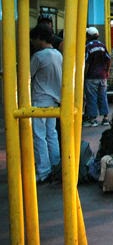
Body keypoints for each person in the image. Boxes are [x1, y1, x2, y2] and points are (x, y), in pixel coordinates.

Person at [30, 23, 62, 184]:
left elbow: (26, 75)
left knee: (39, 136)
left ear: (40, 38)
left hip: (39, 101)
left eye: (34, 39)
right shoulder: (58, 55)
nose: (32, 43)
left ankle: (43, 171)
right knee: (52, 135)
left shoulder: (39, 56)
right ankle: (56, 166)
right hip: (54, 101)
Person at [83, 27, 111, 127]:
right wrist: (107, 71)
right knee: (103, 96)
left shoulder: (88, 46)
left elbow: (87, 63)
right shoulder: (102, 46)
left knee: (92, 98)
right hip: (102, 76)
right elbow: (108, 59)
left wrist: (84, 75)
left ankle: (93, 119)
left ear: (88, 36)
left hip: (91, 77)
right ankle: (106, 118)